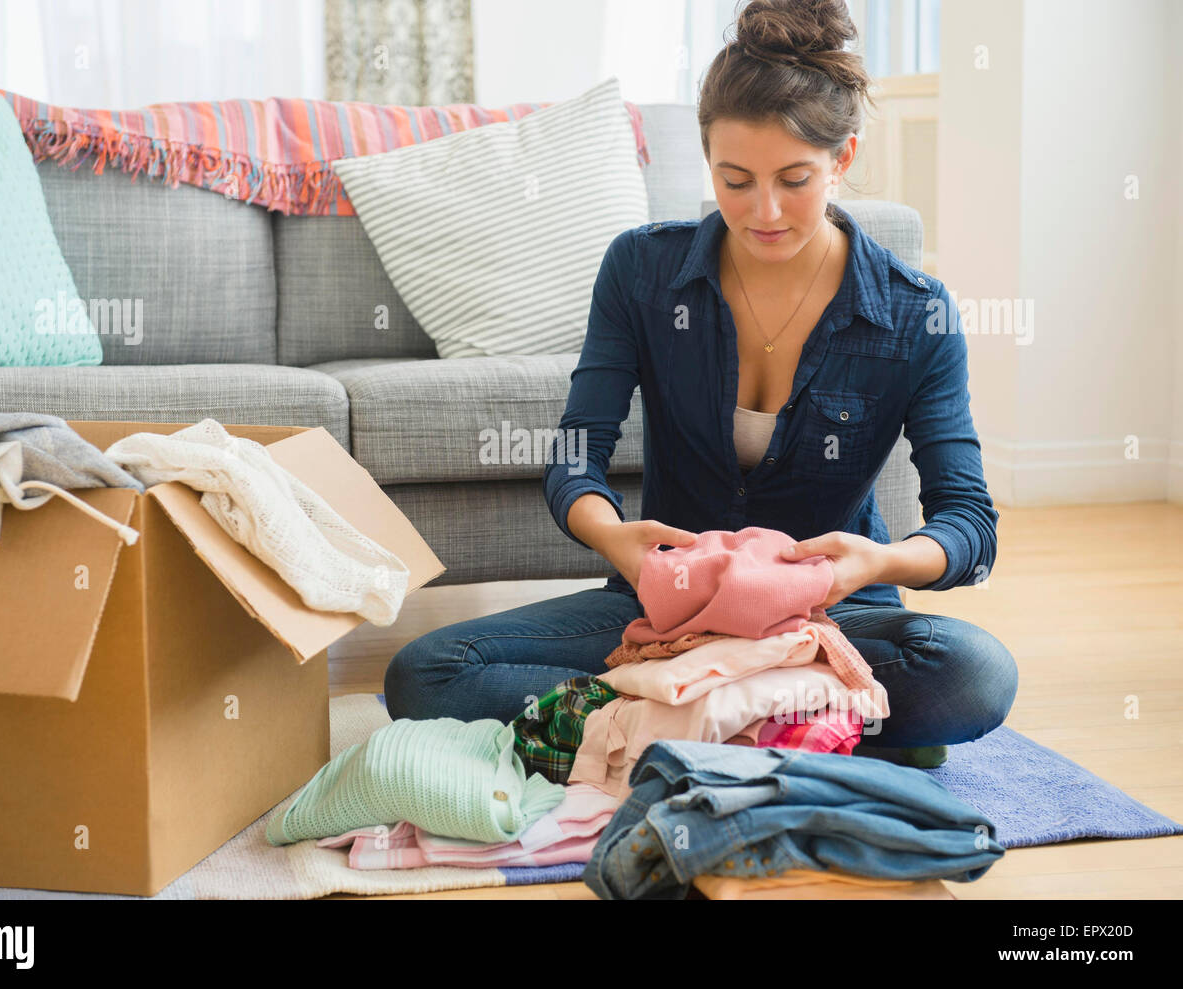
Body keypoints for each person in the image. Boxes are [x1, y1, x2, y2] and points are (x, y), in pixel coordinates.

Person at [385, 0, 1017, 766]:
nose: (766, 211)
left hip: (827, 615)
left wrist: (875, 563)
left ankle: (674, 715)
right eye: (736, 179)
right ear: (706, 157)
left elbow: (970, 526)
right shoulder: (644, 271)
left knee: (975, 674)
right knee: (424, 673)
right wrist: (611, 535)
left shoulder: (916, 313)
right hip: (666, 610)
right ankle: (795, 717)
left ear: (843, 158)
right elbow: (577, 448)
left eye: (795, 179)